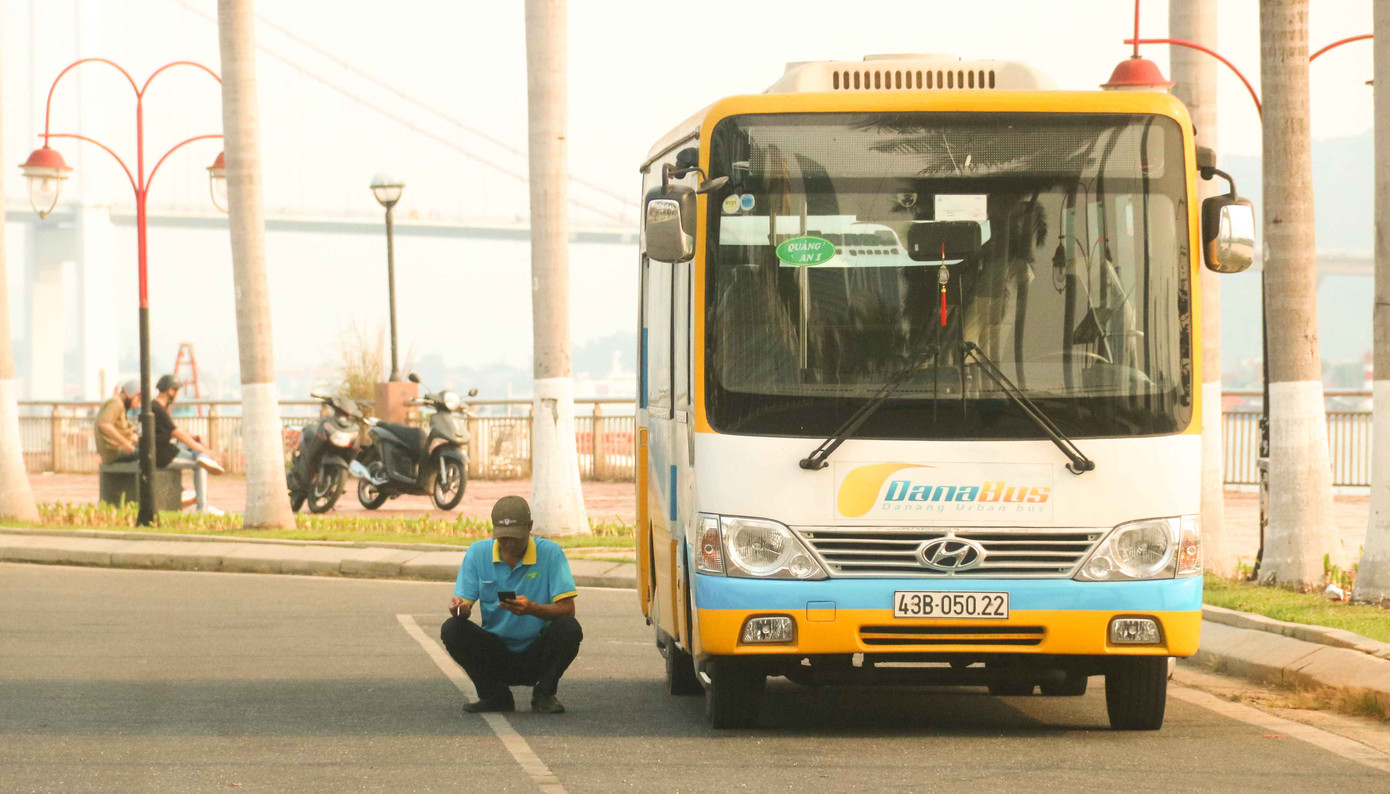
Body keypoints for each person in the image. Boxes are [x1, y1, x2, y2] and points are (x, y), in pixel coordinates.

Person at [440, 496, 582, 714]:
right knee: (452, 629)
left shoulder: (551, 553)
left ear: (530, 527)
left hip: (537, 651)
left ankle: (544, 693)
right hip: (497, 651)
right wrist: (459, 609)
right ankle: (495, 695)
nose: (509, 544)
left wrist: (533, 608)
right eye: (503, 538)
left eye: (515, 538)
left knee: (569, 628)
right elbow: (463, 605)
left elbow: (568, 609)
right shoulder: (478, 553)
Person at [151, 374, 225, 512]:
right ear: (171, 391)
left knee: (198, 454)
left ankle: (204, 459)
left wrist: (196, 437)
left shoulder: (155, 406)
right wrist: (205, 451)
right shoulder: (158, 409)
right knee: (200, 465)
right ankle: (202, 508)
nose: (178, 395)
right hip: (162, 455)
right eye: (177, 391)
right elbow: (176, 433)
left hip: (165, 451)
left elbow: (171, 432)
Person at [94, 380, 141, 464]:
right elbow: (104, 425)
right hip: (114, 452)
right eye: (139, 399)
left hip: (115, 450)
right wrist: (126, 444)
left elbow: (120, 428)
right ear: (132, 395)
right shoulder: (116, 403)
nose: (138, 404)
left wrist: (131, 436)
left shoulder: (119, 404)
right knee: (149, 453)